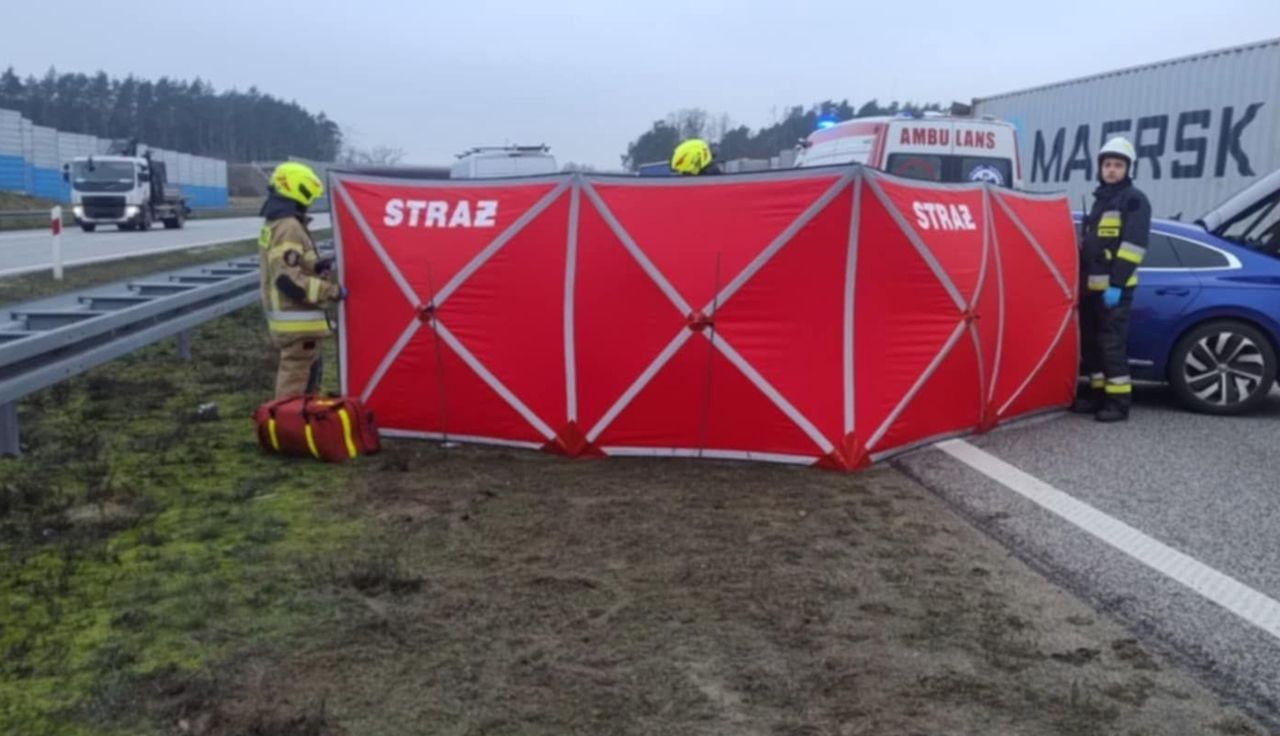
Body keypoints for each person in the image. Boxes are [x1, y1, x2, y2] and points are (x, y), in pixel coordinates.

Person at [1072, 136, 1151, 422]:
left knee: (1111, 346)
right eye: (1107, 165)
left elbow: (1132, 247)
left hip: (1114, 292)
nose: (1112, 170)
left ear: (1128, 169)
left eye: (1118, 165)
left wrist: (1116, 285)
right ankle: (1097, 396)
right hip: (1091, 291)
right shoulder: (1101, 200)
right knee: (1092, 346)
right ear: (1100, 168)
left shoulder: (1134, 200)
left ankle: (1118, 403)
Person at [258, 161, 345, 398]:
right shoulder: (289, 227)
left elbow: (292, 262)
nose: (310, 204)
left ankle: (301, 417)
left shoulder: (277, 223)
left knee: (306, 382)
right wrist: (331, 291)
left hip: (293, 322)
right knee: (294, 388)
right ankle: (288, 421)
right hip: (297, 323)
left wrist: (317, 266)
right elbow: (288, 280)